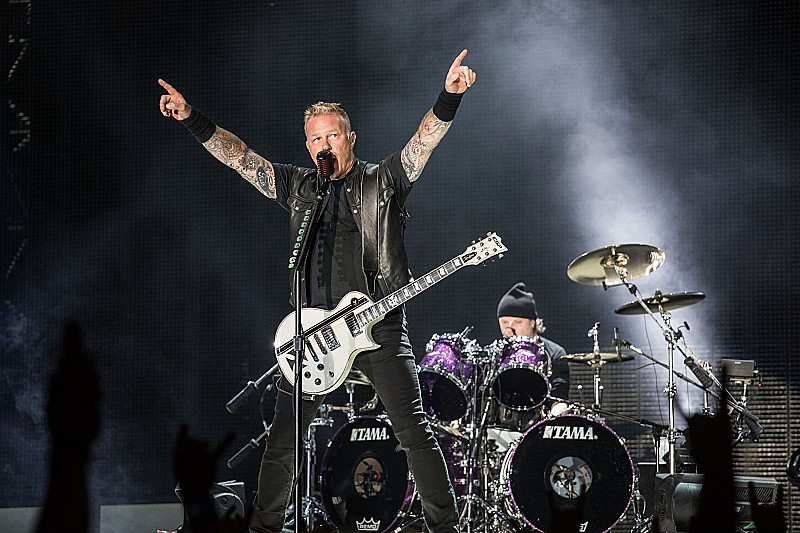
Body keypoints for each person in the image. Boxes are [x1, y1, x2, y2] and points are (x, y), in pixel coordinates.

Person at [159, 49, 476, 533]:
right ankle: (264, 528)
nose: (324, 145)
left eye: (332, 136)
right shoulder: (299, 187)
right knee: (282, 443)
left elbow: (422, 143)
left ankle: (446, 528)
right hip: (314, 334)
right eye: (315, 139)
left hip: (379, 327)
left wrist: (449, 97)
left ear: (351, 139)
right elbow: (241, 159)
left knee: (414, 433)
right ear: (308, 146)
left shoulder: (384, 180)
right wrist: (191, 118)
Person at [495, 282, 570, 417]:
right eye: (504, 322)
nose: (509, 328)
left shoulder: (555, 353)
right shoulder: (495, 353)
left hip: (539, 421)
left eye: (518, 322)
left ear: (532, 322)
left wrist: (554, 416)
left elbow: (560, 398)